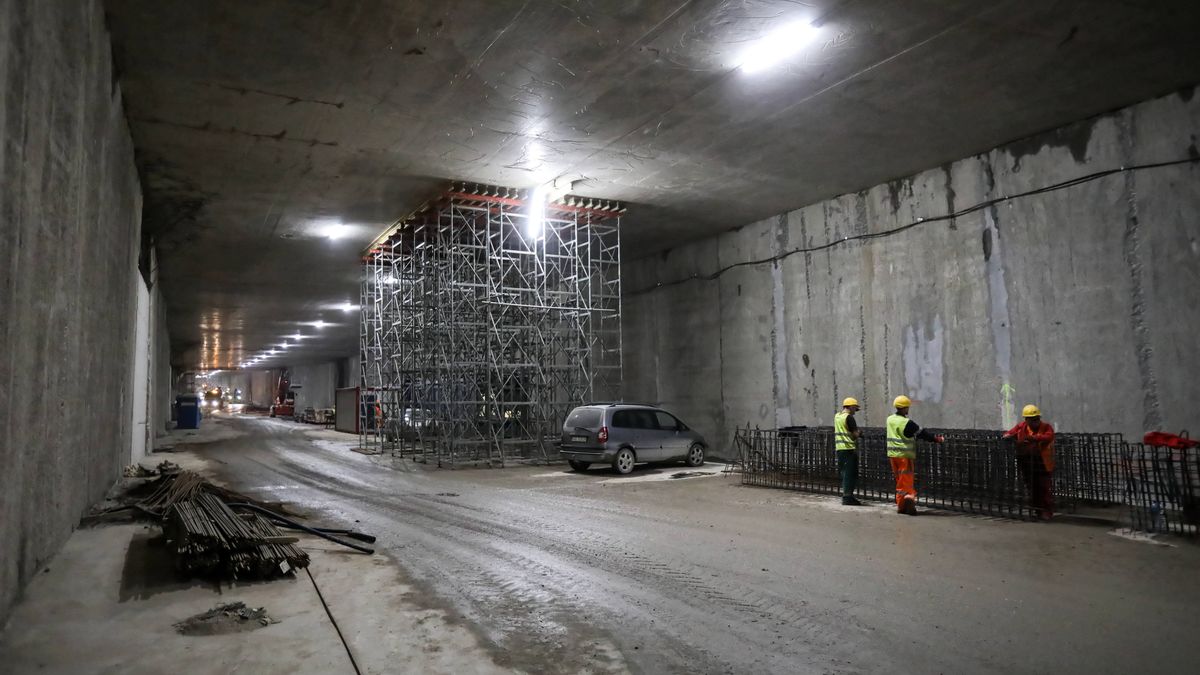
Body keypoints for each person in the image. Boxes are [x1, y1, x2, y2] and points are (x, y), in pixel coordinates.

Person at [886, 395, 944, 515]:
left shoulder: (890, 419)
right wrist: (936, 439)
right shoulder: (907, 423)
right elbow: (922, 433)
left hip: (892, 456)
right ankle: (909, 499)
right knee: (907, 480)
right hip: (904, 456)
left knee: (900, 481)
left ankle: (901, 506)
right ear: (905, 408)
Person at [1004, 404, 1055, 521]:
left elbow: (1048, 437)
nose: (1035, 422)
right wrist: (1009, 436)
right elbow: (1009, 433)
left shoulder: (1046, 427)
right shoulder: (1021, 426)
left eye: (1037, 419)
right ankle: (1036, 511)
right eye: (1032, 419)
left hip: (1042, 463)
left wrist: (1032, 438)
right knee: (1032, 488)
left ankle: (1046, 512)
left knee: (1044, 488)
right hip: (1026, 461)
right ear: (1026, 420)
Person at [834, 397, 863, 505]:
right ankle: (847, 497)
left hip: (840, 449)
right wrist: (860, 433)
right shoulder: (849, 418)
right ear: (851, 406)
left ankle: (847, 495)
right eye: (855, 407)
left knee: (844, 472)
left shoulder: (837, 416)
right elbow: (855, 434)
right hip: (848, 449)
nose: (856, 410)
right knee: (850, 473)